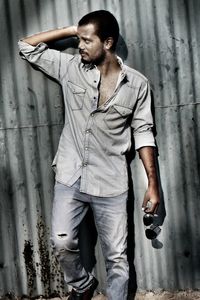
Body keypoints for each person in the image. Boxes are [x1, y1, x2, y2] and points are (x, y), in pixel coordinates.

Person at [18, 10, 160, 300]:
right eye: (78, 39)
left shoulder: (137, 85)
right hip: (71, 175)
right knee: (62, 241)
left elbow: (144, 134)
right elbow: (26, 46)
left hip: (111, 182)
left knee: (117, 257)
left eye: (86, 40)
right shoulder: (70, 68)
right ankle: (82, 285)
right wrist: (72, 29)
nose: (79, 45)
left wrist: (153, 186)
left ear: (107, 43)